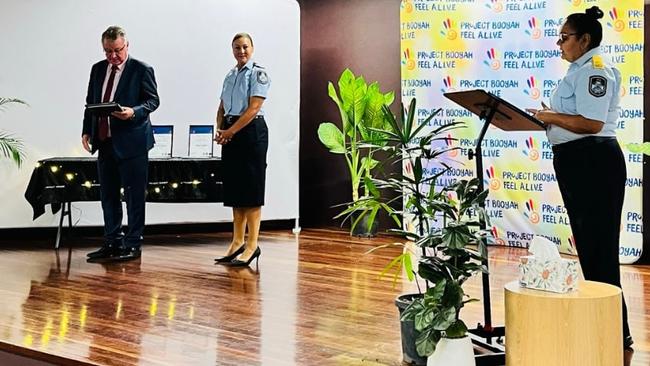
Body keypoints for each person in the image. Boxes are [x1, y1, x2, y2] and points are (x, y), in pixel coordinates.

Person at [532, 6, 633, 355]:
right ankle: (602, 320)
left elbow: (590, 123)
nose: (559, 44)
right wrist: (552, 118)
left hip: (594, 161)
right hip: (578, 162)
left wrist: (548, 116)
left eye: (564, 37)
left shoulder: (595, 71)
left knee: (600, 248)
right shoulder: (577, 71)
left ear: (584, 39)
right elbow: (575, 118)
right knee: (589, 247)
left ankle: (615, 329)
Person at [82, 26, 159, 262]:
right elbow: (90, 102)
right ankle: (112, 241)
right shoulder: (97, 69)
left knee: (135, 196)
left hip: (133, 143)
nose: (112, 56)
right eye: (107, 51)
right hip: (104, 141)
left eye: (117, 50)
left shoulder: (141, 69)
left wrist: (133, 112)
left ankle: (133, 244)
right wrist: (87, 131)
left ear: (127, 45)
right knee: (108, 196)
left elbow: (152, 101)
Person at [213, 33, 270, 267]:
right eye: (237, 47)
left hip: (250, 132)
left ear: (252, 48)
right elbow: (222, 105)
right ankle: (237, 242)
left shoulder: (258, 73)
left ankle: (252, 244)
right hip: (231, 131)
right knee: (236, 189)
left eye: (245, 47)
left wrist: (231, 131)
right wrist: (220, 128)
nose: (241, 51)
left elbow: (253, 108)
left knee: (252, 189)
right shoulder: (230, 74)